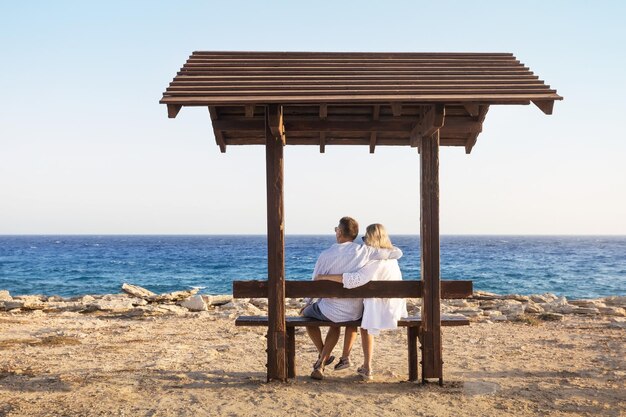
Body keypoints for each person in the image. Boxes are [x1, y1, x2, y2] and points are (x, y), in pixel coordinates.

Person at [301, 217, 403, 380]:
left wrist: (309, 302)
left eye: (336, 229)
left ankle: (322, 357)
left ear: (340, 232)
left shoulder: (326, 255)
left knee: (306, 314)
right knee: (336, 322)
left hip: (332, 311)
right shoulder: (366, 252)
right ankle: (325, 359)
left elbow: (315, 286)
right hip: (355, 312)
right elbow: (397, 252)